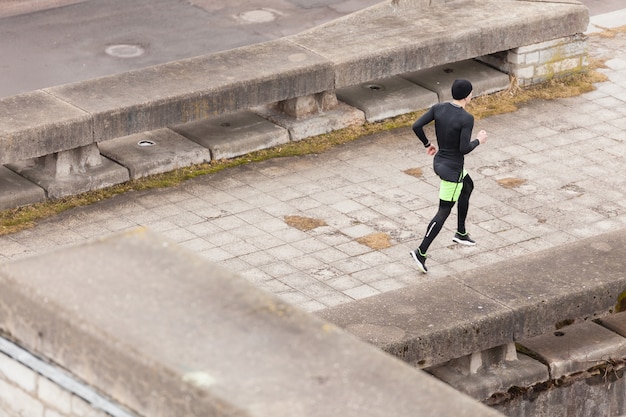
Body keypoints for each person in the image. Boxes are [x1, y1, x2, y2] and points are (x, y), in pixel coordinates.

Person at [409, 79, 488, 273]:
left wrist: (428, 145)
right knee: (443, 211)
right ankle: (421, 252)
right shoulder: (466, 118)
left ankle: (461, 232)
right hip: (452, 171)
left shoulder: (438, 108)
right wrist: (479, 140)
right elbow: (464, 148)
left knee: (468, 186)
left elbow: (416, 126)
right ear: (467, 96)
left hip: (440, 162)